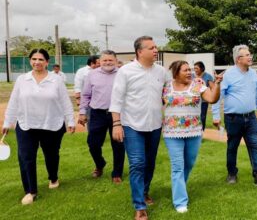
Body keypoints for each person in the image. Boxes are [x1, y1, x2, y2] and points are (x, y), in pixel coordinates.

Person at [1, 49, 75, 205]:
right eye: (34, 59)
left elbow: (65, 102)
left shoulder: (56, 80)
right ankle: (30, 191)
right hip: (26, 124)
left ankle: (53, 177)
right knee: (26, 158)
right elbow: (14, 102)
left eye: (41, 59)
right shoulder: (22, 79)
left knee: (52, 155)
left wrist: (70, 121)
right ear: (30, 61)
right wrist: (8, 122)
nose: (37, 62)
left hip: (52, 124)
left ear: (47, 62)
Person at [110, 36, 167, 220]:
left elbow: (169, 91)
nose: (155, 50)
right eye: (151, 48)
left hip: (155, 125)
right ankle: (139, 206)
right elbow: (116, 99)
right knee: (137, 163)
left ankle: (144, 191)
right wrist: (116, 124)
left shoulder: (161, 71)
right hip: (132, 125)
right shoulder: (125, 71)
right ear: (139, 51)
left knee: (150, 162)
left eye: (156, 47)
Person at [162, 61, 222, 213]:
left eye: (190, 70)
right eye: (185, 70)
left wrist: (217, 85)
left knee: (188, 164)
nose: (189, 72)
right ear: (176, 73)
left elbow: (212, 99)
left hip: (194, 132)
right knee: (177, 167)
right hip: (172, 133)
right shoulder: (166, 86)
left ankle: (179, 187)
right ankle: (180, 202)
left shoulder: (197, 85)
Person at [212, 45, 257, 188]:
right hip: (233, 118)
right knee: (232, 147)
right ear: (238, 59)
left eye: (250, 54)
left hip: (251, 118)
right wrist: (216, 115)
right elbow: (217, 96)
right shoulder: (228, 75)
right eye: (246, 55)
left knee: (255, 146)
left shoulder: (253, 74)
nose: (250, 57)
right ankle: (232, 173)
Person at [79, 50, 125, 184]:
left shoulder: (122, 74)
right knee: (93, 143)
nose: (108, 62)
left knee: (118, 144)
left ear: (116, 61)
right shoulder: (92, 75)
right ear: (100, 62)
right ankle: (100, 164)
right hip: (97, 113)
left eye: (111, 60)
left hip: (118, 114)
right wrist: (82, 112)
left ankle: (117, 173)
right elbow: (86, 95)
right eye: (105, 60)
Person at [193, 61, 214, 130]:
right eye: (194, 68)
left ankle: (201, 132)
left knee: (202, 116)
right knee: (194, 116)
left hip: (204, 101)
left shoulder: (208, 76)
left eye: (197, 68)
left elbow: (212, 88)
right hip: (194, 100)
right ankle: (193, 131)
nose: (195, 70)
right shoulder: (192, 76)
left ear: (201, 68)